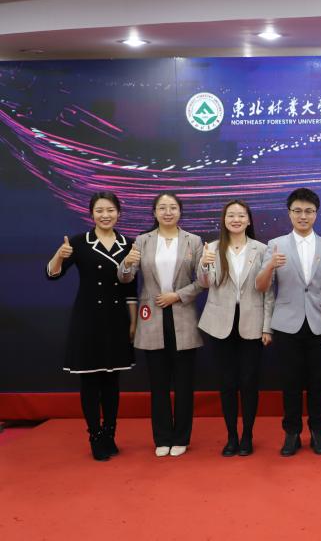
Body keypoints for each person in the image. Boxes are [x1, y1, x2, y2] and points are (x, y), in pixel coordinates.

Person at [46, 192, 138, 461]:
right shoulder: (78, 242)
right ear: (91, 214)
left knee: (112, 380)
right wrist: (59, 255)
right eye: (99, 211)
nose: (105, 215)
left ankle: (110, 433)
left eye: (110, 210)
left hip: (116, 318)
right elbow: (52, 274)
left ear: (118, 213)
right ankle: (95, 436)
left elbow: (131, 289)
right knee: (90, 380)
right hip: (87, 319)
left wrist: (133, 322)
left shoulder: (128, 244)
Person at [255, 188, 321, 457]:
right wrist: (270, 266)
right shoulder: (275, 244)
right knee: (290, 383)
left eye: (308, 211)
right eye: (298, 211)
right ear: (289, 213)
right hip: (286, 324)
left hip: (320, 325)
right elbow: (262, 287)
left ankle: (318, 432)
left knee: (318, 383)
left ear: (316, 214)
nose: (303, 216)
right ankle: (291, 433)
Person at [118, 192, 205, 458]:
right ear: (154, 212)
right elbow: (126, 277)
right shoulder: (142, 240)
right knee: (158, 384)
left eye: (173, 208)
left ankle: (181, 437)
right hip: (152, 317)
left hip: (183, 316)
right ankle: (162, 437)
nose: (168, 212)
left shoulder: (193, 241)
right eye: (162, 208)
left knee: (184, 384)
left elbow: (203, 281)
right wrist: (126, 264)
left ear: (180, 211)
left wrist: (177, 295)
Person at [197, 200, 274, 457]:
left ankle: (247, 435)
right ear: (224, 220)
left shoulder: (262, 249)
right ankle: (231, 436)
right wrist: (205, 263)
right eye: (231, 215)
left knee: (249, 381)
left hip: (252, 321)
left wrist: (267, 327)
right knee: (226, 382)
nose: (236, 219)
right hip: (220, 323)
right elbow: (206, 283)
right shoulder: (212, 248)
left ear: (249, 220)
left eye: (241, 215)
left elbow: (268, 292)